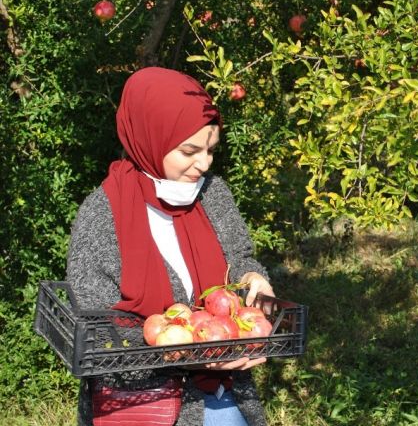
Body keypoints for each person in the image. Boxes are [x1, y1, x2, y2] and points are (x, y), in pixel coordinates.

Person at [66, 66, 274, 426]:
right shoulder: (103, 216)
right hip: (142, 400)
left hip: (222, 389)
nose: (203, 164)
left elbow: (239, 258)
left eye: (210, 149)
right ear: (151, 138)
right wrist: (186, 350)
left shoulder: (212, 194)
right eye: (189, 150)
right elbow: (98, 328)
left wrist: (255, 278)